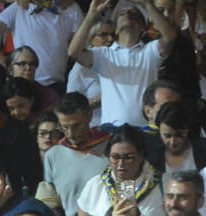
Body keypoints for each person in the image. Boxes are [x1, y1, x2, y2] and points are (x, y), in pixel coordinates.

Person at [68, 0, 177, 129]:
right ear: (116, 29)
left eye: (134, 14)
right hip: (111, 129)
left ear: (142, 27)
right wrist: (91, 16)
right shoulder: (103, 54)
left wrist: (147, 4)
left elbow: (170, 36)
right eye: (122, 13)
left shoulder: (150, 51)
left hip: (145, 129)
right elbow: (73, 52)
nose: (128, 14)